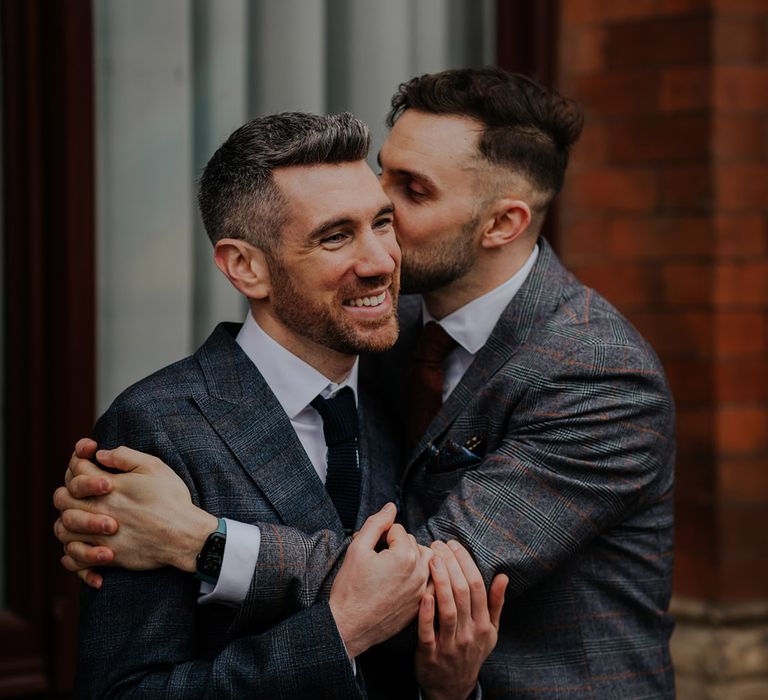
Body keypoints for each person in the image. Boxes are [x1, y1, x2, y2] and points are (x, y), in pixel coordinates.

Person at [56, 68, 676, 698]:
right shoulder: (377, 331)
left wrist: (202, 541)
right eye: (382, 175)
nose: (380, 229)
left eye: (409, 193)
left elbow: (421, 576)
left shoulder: (600, 373)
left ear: (501, 224)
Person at [64, 110, 506, 699]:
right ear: (246, 267)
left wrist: (448, 692)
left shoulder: (403, 393)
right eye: (335, 236)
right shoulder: (157, 428)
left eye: (382, 222)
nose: (380, 261)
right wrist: (338, 633)